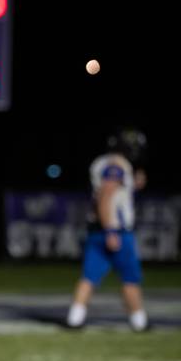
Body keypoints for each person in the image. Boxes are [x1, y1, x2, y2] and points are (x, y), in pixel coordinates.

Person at [66, 128, 149, 331]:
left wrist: (133, 186)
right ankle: (139, 322)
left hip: (97, 229)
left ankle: (75, 319)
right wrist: (111, 230)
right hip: (114, 231)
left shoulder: (102, 162)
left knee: (89, 276)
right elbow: (106, 195)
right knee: (130, 278)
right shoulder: (116, 165)